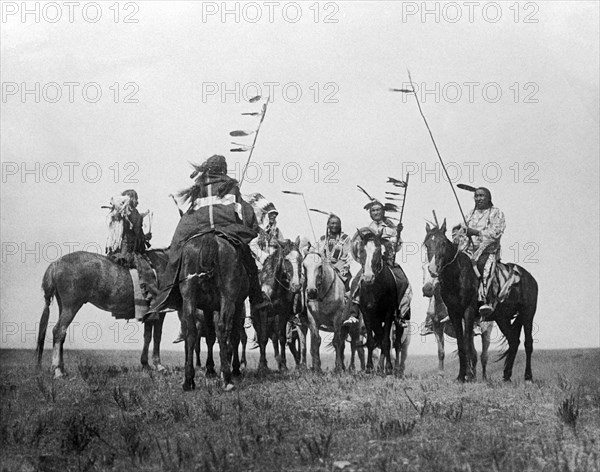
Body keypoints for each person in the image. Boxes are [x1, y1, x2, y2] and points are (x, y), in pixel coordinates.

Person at [147, 155, 269, 329]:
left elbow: (190, 215)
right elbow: (245, 212)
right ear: (223, 169)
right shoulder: (231, 186)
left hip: (199, 230)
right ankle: (256, 299)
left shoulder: (198, 188)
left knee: (178, 253)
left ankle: (170, 294)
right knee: (248, 260)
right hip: (226, 230)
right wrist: (252, 226)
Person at [344, 199, 411, 327]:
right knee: (356, 281)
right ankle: (353, 314)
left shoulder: (391, 228)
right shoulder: (367, 229)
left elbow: (396, 246)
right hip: (371, 263)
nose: (376, 212)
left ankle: (401, 314)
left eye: (378, 210)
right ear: (370, 213)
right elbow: (359, 246)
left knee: (403, 281)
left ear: (383, 211)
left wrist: (397, 234)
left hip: (388, 262)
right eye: (373, 210)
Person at [454, 186, 506, 318]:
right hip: (467, 251)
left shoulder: (496, 213)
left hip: (486, 251)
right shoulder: (470, 214)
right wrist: (459, 233)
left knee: (484, 270)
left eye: (482, 195)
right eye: (476, 196)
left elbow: (496, 233)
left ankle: (485, 301)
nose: (479, 198)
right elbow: (461, 232)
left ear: (489, 197)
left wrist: (476, 232)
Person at [106, 189, 157, 303]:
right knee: (147, 273)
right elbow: (137, 236)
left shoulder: (124, 214)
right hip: (130, 252)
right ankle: (151, 301)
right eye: (136, 198)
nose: (137, 201)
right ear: (132, 199)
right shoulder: (134, 214)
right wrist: (146, 238)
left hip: (118, 250)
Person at [317, 213, 351, 290]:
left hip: (340, 269)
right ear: (328, 225)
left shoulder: (345, 238)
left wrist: (340, 266)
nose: (334, 226)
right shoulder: (322, 239)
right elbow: (318, 253)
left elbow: (348, 255)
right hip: (325, 269)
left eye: (337, 223)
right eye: (332, 223)